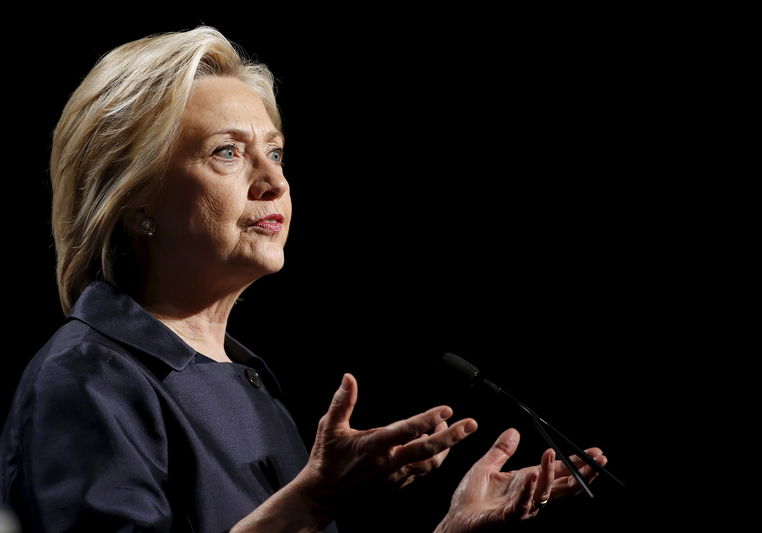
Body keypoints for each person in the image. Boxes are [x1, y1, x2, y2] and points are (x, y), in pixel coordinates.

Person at [0, 26, 608, 532]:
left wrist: (451, 530)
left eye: (276, 152)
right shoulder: (84, 381)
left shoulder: (250, 385)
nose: (274, 182)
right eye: (228, 152)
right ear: (135, 202)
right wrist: (309, 502)